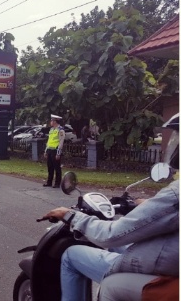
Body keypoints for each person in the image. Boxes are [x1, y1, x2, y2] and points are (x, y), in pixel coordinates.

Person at [41, 113, 179, 301]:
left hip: (164, 268)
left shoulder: (176, 194)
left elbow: (111, 234)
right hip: (168, 261)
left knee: (71, 255)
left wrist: (71, 215)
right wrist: (145, 205)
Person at [43, 114, 65, 188]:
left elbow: (61, 142)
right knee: (50, 167)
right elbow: (49, 141)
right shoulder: (51, 130)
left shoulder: (60, 130)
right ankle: (49, 182)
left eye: (52, 120)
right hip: (49, 150)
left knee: (57, 167)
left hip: (55, 151)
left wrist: (58, 153)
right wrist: (46, 151)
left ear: (55, 121)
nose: (50, 122)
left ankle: (57, 183)